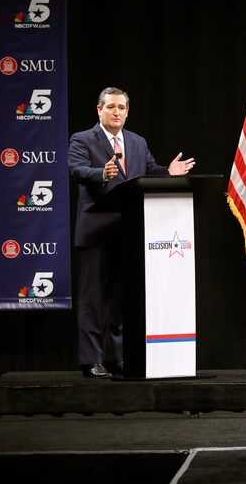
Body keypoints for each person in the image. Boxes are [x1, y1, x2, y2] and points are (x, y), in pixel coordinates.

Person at [68, 87, 195, 378]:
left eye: (121, 107)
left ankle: (115, 358)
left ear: (127, 111)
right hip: (95, 233)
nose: (116, 112)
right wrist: (101, 173)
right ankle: (91, 360)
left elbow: (148, 171)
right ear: (99, 110)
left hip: (129, 233)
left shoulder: (137, 142)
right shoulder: (83, 139)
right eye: (110, 106)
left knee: (121, 299)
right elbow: (76, 169)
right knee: (93, 300)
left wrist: (168, 173)